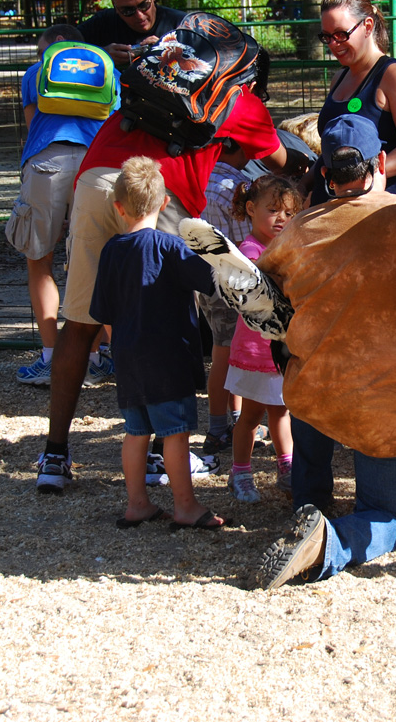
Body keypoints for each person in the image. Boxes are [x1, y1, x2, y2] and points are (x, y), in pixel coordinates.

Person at [237, 114, 396, 589]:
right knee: (385, 514)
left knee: (311, 459)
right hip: (392, 396)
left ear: (325, 173)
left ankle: (309, 513)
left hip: (314, 386)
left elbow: (264, 296)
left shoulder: (300, 228)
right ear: (381, 162)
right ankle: (331, 543)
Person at [34, 88, 286, 495]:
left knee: (79, 324)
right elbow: (280, 160)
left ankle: (55, 454)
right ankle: (160, 449)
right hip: (158, 191)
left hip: (97, 177)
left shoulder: (164, 72)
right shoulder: (237, 96)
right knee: (168, 325)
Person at [88, 157, 223, 530]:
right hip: (169, 359)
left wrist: (121, 350)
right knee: (175, 436)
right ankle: (185, 506)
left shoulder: (111, 252)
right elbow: (213, 280)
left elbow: (105, 314)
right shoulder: (170, 247)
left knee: (135, 434)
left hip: (129, 358)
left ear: (118, 207)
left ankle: (137, 504)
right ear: (164, 203)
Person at [9, 24, 120, 386]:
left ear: (52, 48)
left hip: (47, 163)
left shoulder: (35, 71)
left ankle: (51, 356)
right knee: (93, 260)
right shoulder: (109, 71)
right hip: (96, 164)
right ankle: (101, 356)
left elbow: (33, 126)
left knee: (39, 260)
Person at [306, 0, 396, 203]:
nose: (334, 44)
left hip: (381, 205)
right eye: (327, 36)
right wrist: (302, 186)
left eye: (341, 34)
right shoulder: (340, 78)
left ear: (367, 26)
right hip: (331, 204)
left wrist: (366, 175)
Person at [224, 175, 301, 503]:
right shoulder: (249, 251)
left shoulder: (285, 248)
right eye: (273, 211)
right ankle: (240, 471)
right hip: (257, 350)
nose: (281, 218)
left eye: (288, 212)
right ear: (251, 210)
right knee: (252, 415)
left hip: (281, 348)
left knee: (281, 411)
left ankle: (287, 468)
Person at [195, 138, 254, 454]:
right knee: (233, 357)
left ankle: (226, 421)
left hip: (208, 280)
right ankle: (222, 427)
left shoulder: (202, 178)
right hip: (237, 283)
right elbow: (247, 242)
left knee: (222, 352)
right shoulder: (237, 186)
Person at [77, 0, 186, 69]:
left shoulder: (182, 24)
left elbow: (200, 67)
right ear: (115, 6)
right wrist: (101, 55)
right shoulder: (102, 23)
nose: (139, 15)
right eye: (128, 11)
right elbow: (63, 49)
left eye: (144, 5)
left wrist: (170, 52)